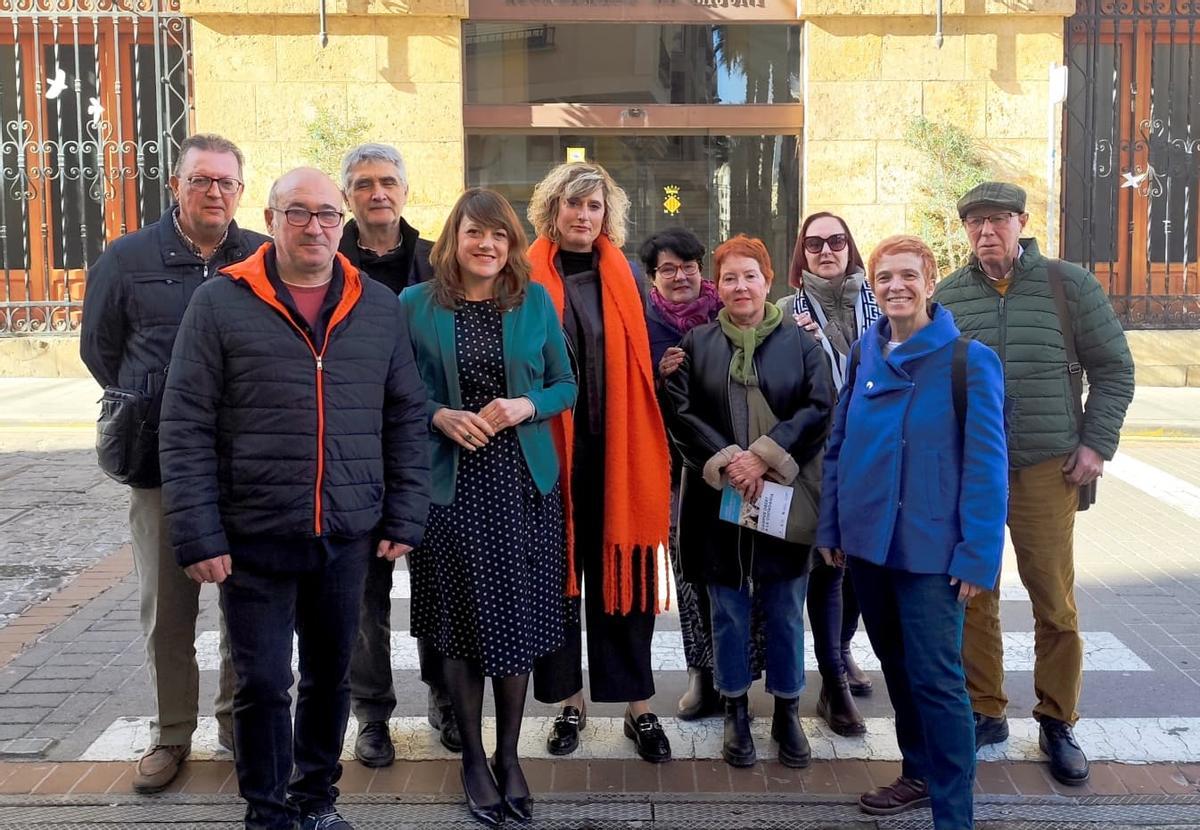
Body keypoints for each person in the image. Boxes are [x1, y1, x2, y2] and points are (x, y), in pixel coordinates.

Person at [158, 167, 431, 830]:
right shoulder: (221, 303)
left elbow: (405, 413)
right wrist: (198, 534)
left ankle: (317, 797)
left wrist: (404, 513)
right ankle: (267, 809)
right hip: (253, 535)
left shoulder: (374, 305)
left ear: (343, 224)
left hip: (346, 534)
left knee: (330, 678)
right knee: (260, 683)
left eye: (326, 216)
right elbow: (186, 421)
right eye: (298, 213)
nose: (315, 227)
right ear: (273, 219)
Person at [79, 133, 267, 792]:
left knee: (247, 607)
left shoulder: (262, 258)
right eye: (201, 180)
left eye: (226, 182)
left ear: (241, 192)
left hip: (247, 467)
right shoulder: (127, 259)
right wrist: (155, 400)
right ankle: (171, 735)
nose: (214, 192)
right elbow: (100, 353)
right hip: (161, 466)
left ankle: (241, 726)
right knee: (169, 612)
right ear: (177, 186)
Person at [935, 182, 1135, 786]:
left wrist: (1096, 444)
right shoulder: (947, 296)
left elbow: (1114, 367)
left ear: (1022, 221)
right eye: (974, 222)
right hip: (972, 469)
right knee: (973, 592)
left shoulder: (1066, 285)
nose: (986, 231)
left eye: (997, 219)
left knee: (1053, 598)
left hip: (1048, 467)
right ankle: (985, 707)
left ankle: (1056, 718)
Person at [817, 234, 1007, 829]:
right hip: (871, 547)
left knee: (939, 681)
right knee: (898, 670)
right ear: (873, 288)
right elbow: (839, 446)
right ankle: (917, 773)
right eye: (884, 278)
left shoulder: (967, 361)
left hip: (931, 554)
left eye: (908, 275)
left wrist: (979, 554)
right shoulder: (863, 356)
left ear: (929, 280)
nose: (896, 287)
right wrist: (832, 526)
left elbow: (986, 465)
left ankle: (954, 812)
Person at [400, 188, 576, 826]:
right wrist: (438, 415)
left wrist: (527, 405)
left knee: (517, 625)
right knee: (458, 625)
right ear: (453, 239)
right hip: (449, 489)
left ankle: (509, 756)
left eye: (499, 236)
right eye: (475, 233)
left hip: (522, 486)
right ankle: (471, 757)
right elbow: (395, 391)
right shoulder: (414, 305)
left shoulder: (534, 302)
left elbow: (566, 383)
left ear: (512, 245)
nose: (487, 245)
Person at [664, 235, 833, 768]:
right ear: (721, 286)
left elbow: (819, 407)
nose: (741, 287)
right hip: (718, 501)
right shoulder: (697, 345)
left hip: (783, 495)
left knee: (785, 610)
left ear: (768, 282)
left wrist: (763, 455)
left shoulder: (801, 344)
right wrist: (729, 461)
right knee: (728, 611)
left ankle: (787, 709)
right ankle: (735, 707)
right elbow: (682, 415)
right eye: (731, 278)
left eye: (751, 276)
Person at [526, 162, 674, 764]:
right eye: (572, 205)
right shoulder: (526, 275)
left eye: (593, 206)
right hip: (551, 453)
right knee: (556, 586)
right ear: (552, 211)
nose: (583, 217)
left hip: (618, 450)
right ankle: (570, 702)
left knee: (624, 585)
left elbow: (652, 345)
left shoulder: (629, 277)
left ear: (606, 214)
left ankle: (639, 706)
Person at [336, 143, 457, 765]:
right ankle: (372, 716)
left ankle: (443, 698)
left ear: (405, 190)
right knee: (364, 597)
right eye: (363, 184)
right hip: (352, 454)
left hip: (429, 452)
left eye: (387, 181)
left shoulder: (441, 261)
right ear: (347, 196)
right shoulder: (325, 263)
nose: (377, 192)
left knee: (436, 587)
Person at [641, 227, 765, 720]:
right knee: (691, 573)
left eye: (688, 266)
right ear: (653, 277)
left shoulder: (731, 313)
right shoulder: (642, 323)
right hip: (676, 472)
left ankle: (739, 676)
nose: (679, 277)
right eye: (667, 269)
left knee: (742, 570)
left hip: (740, 466)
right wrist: (657, 374)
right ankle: (701, 671)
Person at [778, 212, 881, 737]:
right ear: (802, 253)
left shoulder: (881, 303)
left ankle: (840, 650)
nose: (826, 250)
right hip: (817, 459)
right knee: (824, 567)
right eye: (814, 243)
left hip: (876, 457)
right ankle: (832, 680)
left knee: (860, 566)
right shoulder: (785, 310)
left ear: (850, 247)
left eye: (836, 240)